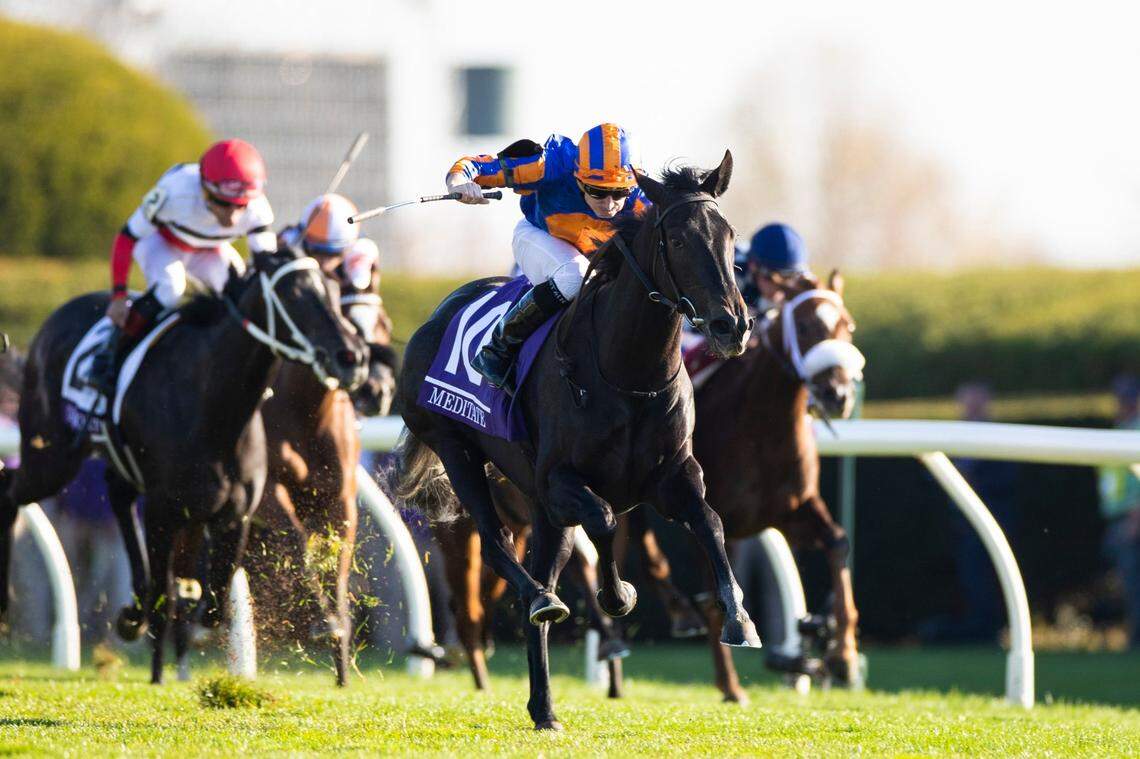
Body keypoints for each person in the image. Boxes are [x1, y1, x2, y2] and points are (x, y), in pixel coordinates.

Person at [444, 122, 650, 391]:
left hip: (591, 256)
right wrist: (459, 182)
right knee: (574, 277)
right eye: (598, 192)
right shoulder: (548, 165)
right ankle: (499, 347)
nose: (609, 203)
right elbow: (477, 166)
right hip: (539, 236)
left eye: (619, 192)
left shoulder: (642, 198)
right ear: (577, 177)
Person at [90, 139, 277, 395]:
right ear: (204, 188)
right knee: (171, 287)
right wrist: (119, 295)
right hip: (162, 243)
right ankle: (111, 353)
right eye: (223, 203)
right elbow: (127, 238)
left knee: (242, 292)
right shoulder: (174, 192)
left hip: (210, 250)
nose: (232, 216)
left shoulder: (257, 208)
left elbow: (267, 264)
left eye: (240, 205)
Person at [279, 193, 389, 340]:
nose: (323, 262)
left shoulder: (360, 256)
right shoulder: (287, 243)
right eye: (317, 251)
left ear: (347, 248)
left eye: (332, 254)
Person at [1098, 374, 1140, 648]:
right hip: (1120, 518)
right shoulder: (1121, 429)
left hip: (1132, 520)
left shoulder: (1135, 431)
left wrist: (1135, 519)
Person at [737, 222, 816, 317]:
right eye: (770, 278)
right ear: (752, 266)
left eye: (789, 278)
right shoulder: (734, 272)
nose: (780, 286)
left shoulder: (804, 281)